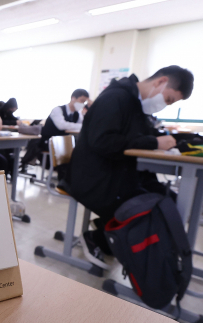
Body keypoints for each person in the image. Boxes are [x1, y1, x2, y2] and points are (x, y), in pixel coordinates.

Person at [67, 66, 194, 267]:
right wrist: (154, 143)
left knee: (171, 201)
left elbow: (136, 137)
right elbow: (102, 141)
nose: (165, 105)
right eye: (168, 99)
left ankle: (108, 232)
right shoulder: (115, 98)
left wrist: (159, 140)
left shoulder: (136, 104)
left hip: (118, 172)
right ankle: (98, 238)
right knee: (149, 207)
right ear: (160, 82)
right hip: (94, 177)